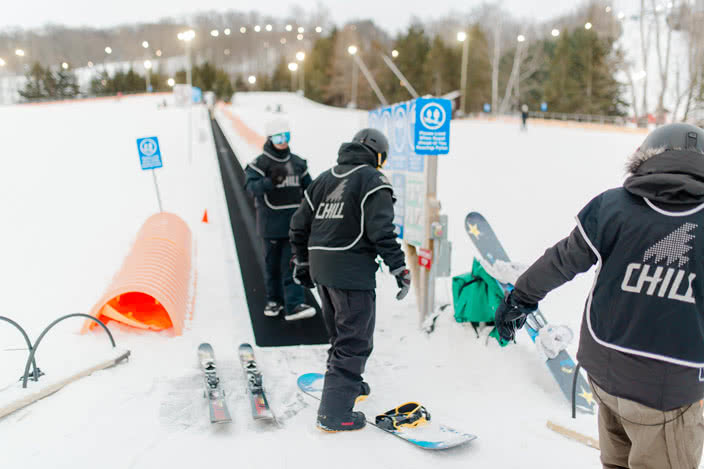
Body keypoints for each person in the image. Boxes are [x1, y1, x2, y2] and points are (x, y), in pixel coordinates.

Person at [495, 123, 704, 469]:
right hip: (669, 392)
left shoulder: (614, 206)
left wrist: (522, 296)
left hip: (605, 371)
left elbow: (563, 259)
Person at [289, 128, 411, 432]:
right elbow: (381, 230)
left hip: (323, 270)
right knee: (354, 340)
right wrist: (399, 268)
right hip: (351, 271)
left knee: (340, 334)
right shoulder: (372, 180)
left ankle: (347, 386)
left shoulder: (324, 179)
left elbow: (298, 224)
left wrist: (302, 262)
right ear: (378, 155)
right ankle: (334, 413)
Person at [244, 118, 316, 321]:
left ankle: (294, 304)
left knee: (293, 264)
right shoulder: (259, 164)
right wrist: (270, 182)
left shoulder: (298, 163)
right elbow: (251, 189)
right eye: (278, 137)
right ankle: (273, 301)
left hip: (294, 225)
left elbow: (310, 190)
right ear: (270, 138)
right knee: (272, 265)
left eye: (286, 136)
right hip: (270, 225)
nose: (283, 141)